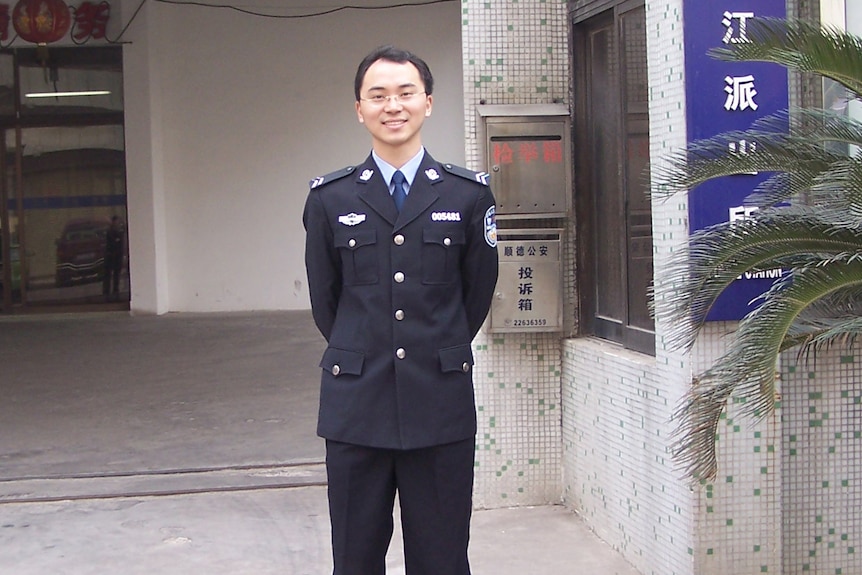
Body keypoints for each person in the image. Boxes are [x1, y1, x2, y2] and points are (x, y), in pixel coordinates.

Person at [303, 45, 499, 575]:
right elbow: (326, 302)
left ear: (428, 103)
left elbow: (475, 297)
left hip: (439, 404)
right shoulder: (330, 198)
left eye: (406, 93)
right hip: (355, 407)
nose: (394, 105)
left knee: (441, 558)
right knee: (356, 557)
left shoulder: (468, 195)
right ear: (360, 109)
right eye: (379, 95)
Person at [102, 215, 123, 300]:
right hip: (111, 256)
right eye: (117, 222)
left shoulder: (119, 231)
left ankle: (115, 291)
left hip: (117, 257)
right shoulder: (111, 232)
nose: (118, 223)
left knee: (116, 275)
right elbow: (112, 244)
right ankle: (107, 292)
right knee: (109, 274)